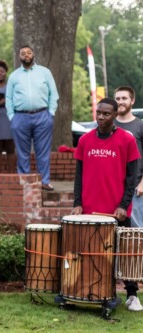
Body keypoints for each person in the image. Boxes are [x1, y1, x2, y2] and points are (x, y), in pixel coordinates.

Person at [72, 98, 142, 312]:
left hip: (117, 211)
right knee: (92, 253)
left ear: (114, 116)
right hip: (90, 212)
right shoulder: (85, 140)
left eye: (106, 114)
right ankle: (90, 291)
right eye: (99, 113)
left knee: (124, 253)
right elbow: (78, 176)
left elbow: (132, 177)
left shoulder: (126, 140)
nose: (101, 117)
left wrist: (124, 205)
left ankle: (132, 295)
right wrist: (77, 203)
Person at [6, 45, 59, 191]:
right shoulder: (14, 76)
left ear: (33, 54)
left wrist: (51, 113)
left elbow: (53, 94)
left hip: (42, 116)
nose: (26, 55)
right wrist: (12, 117)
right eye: (23, 53)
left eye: (29, 52)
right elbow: (8, 98)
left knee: (42, 151)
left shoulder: (45, 72)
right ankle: (25, 182)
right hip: (20, 117)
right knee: (22, 152)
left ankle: (44, 181)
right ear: (19, 57)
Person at [114, 86, 143, 228]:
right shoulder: (109, 125)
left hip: (136, 188)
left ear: (132, 101)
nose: (120, 102)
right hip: (114, 187)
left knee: (136, 231)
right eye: (117, 98)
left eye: (124, 98)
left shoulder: (140, 125)